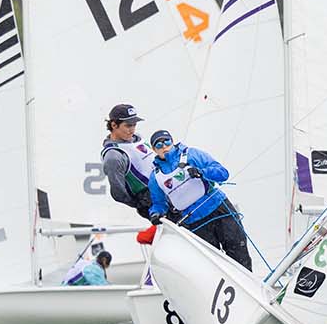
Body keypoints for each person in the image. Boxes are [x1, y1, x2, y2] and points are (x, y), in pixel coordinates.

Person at [146, 129, 252, 270]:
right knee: (212, 263)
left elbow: (223, 173)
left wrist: (202, 172)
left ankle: (249, 283)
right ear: (154, 149)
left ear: (172, 141)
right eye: (158, 145)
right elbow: (159, 203)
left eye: (167, 142)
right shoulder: (156, 177)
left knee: (238, 251)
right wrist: (155, 213)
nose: (164, 147)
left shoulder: (191, 154)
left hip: (219, 208)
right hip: (195, 221)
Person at [99, 103, 162, 220]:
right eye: (128, 125)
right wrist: (141, 204)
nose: (132, 130)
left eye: (134, 125)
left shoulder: (137, 138)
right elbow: (118, 193)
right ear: (114, 125)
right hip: (153, 202)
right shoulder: (114, 156)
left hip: (168, 189)